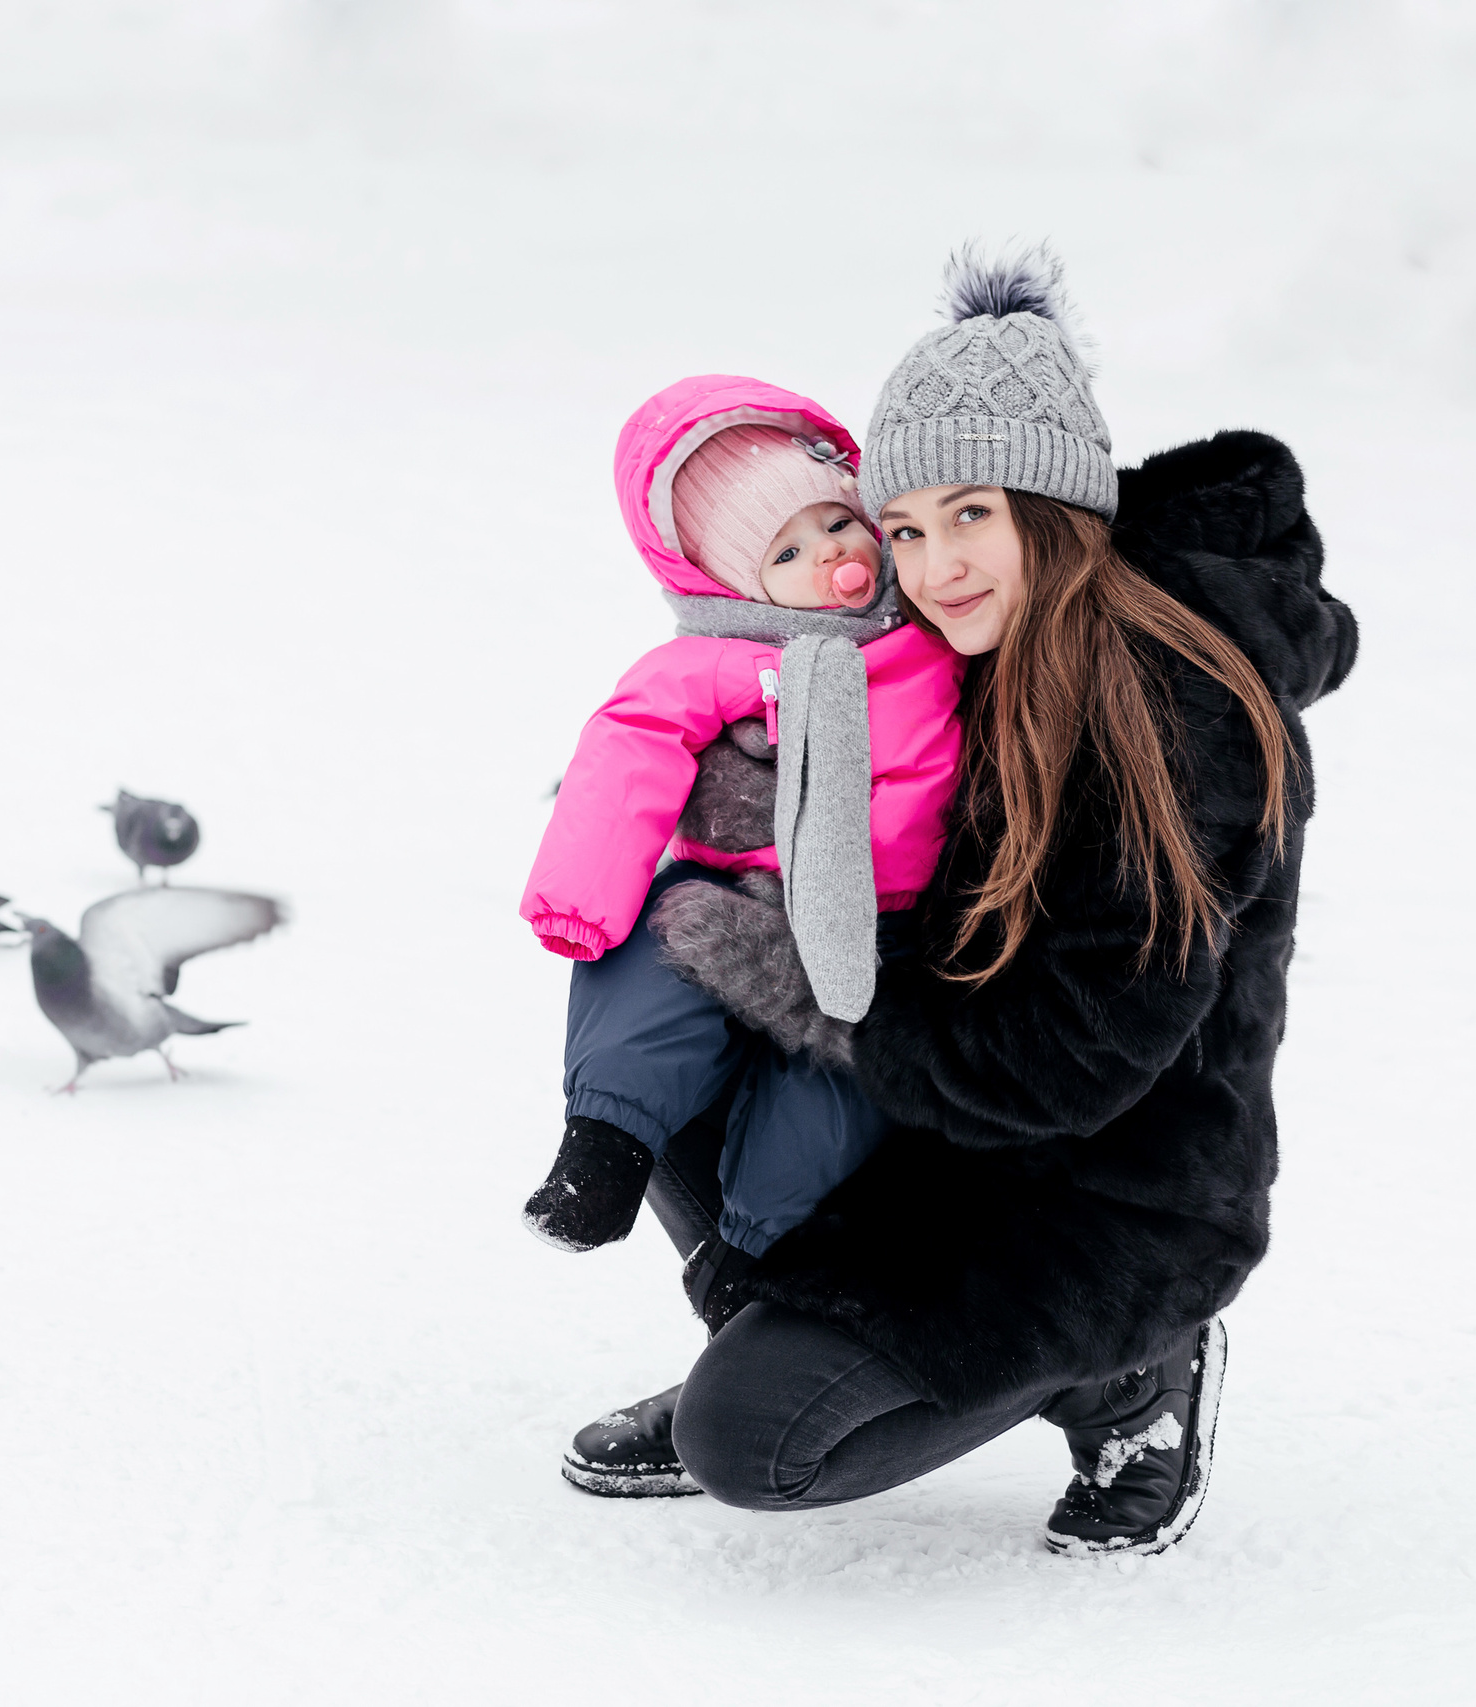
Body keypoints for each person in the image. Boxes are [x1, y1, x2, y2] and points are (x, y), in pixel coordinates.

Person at [556, 247, 1358, 1557]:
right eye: (907, 526)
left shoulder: (1168, 715)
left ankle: (1132, 1375)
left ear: (1054, 502)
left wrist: (821, 994)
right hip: (954, 1107)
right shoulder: (976, 644)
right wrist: (723, 825)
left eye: (970, 512)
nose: (932, 564)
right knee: (669, 1002)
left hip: (1100, 1191)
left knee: (749, 1440)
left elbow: (1070, 1057)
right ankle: (774, 1325)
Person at [518, 377, 965, 1333]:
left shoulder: (933, 634)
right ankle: (602, 1145)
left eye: (838, 526)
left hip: (878, 932)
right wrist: (580, 896)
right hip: (745, 899)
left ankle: (749, 1257)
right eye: (789, 551)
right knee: (649, 964)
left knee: (835, 1098)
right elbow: (627, 744)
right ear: (736, 584)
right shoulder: (725, 657)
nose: (832, 559)